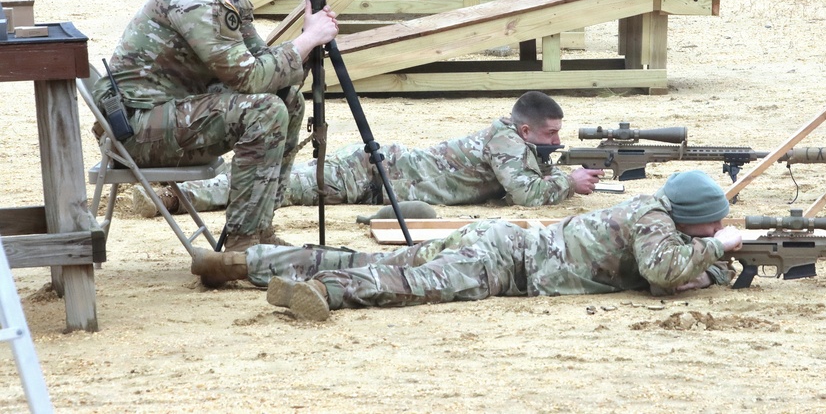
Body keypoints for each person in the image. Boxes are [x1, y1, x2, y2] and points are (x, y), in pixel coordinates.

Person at [92, 0, 341, 252]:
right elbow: (250, 78)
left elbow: (262, 69)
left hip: (169, 115)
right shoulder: (197, 0)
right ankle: (242, 246)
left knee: (288, 100)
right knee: (263, 110)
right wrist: (307, 40)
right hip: (136, 132)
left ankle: (258, 231)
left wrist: (306, 38)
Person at [190, 170, 743, 321]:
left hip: (498, 242)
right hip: (505, 263)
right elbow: (667, 273)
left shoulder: (655, 213)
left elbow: (667, 273)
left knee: (378, 257)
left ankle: (244, 262)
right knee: (407, 282)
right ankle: (316, 291)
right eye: (710, 224)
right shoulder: (654, 218)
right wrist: (724, 247)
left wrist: (710, 263)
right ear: (693, 219)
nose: (713, 231)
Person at [133, 91, 604, 215]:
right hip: (370, 174)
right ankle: (178, 194)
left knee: (283, 185)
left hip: (380, 177)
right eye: (550, 135)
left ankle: (181, 193)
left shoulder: (516, 140)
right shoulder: (506, 139)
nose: (556, 142)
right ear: (525, 129)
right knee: (280, 185)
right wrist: (569, 181)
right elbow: (523, 194)